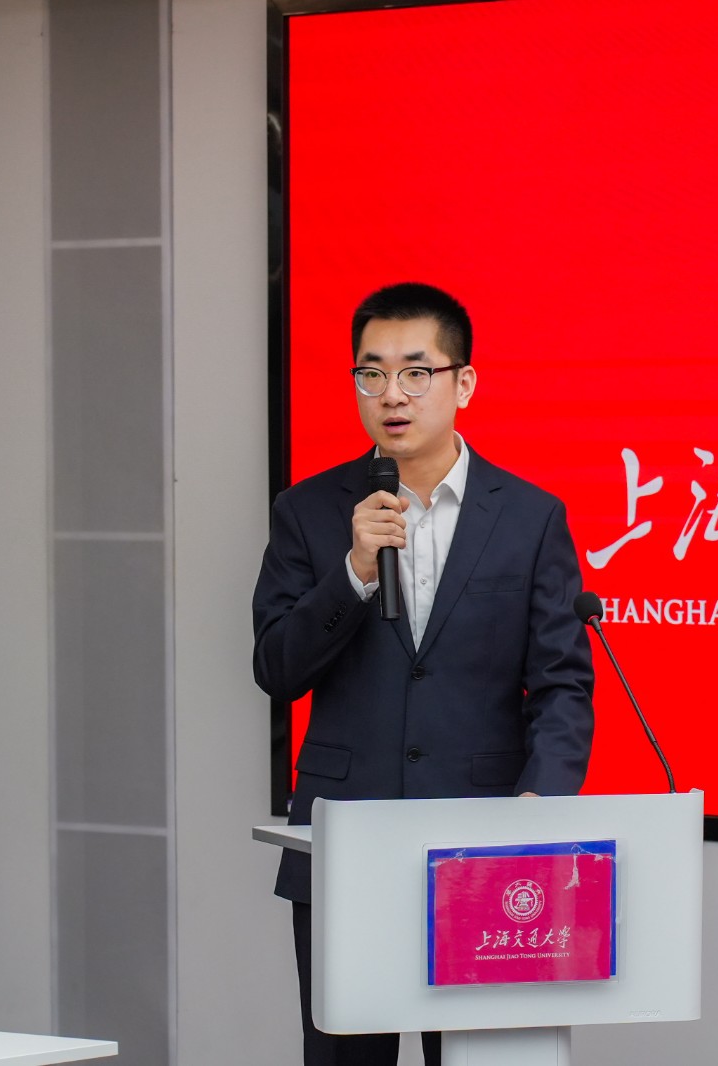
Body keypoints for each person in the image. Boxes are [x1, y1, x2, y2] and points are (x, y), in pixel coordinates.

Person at [252, 282, 594, 1066]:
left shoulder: (530, 517)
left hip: (485, 849)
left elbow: (562, 683)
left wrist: (541, 802)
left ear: (462, 383)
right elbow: (276, 668)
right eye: (371, 373)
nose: (391, 395)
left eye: (415, 372)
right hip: (348, 845)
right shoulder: (309, 511)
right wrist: (352, 571)